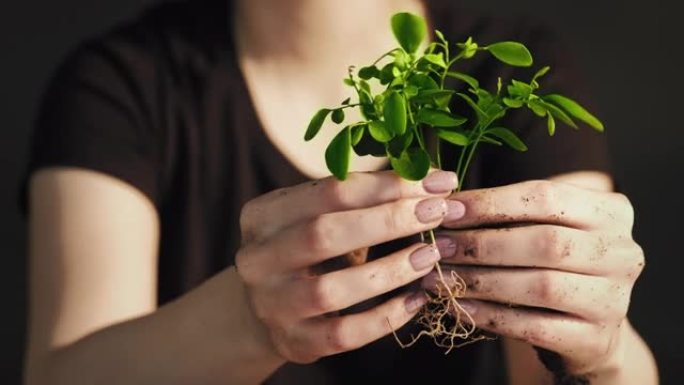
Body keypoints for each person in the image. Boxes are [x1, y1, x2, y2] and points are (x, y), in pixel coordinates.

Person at [22, 0, 658, 384]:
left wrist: (594, 345)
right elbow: (64, 376)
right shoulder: (119, 86)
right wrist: (249, 323)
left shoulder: (507, 67)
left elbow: (557, 366)